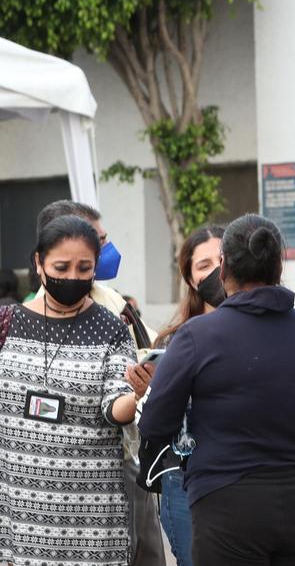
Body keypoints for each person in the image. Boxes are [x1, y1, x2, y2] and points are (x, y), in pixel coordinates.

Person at [139, 214, 295, 565]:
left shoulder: (197, 336)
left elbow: (155, 423)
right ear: (279, 265)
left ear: (224, 267)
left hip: (226, 503)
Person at [0, 215, 143, 565]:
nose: (73, 277)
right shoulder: (7, 324)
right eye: (61, 267)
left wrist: (138, 392)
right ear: (38, 263)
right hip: (18, 518)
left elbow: (114, 407)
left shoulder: (111, 328)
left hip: (92, 524)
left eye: (84, 268)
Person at [34, 199, 166, 566]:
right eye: (100, 240)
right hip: (79, 469)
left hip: (129, 451)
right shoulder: (30, 322)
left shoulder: (110, 300)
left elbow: (147, 345)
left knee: (147, 552)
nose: (107, 250)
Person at [146, 225, 225, 566]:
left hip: (247, 473)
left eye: (223, 259)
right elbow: (154, 419)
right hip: (184, 474)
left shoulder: (270, 328)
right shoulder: (173, 341)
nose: (217, 272)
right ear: (191, 280)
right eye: (204, 265)